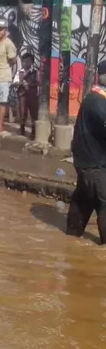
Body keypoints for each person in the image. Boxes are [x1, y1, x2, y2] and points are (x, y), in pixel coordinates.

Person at [67, 60, 106, 244]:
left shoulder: (93, 98)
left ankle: (70, 242)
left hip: (85, 164)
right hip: (96, 166)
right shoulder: (99, 103)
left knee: (82, 203)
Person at [17, 53, 39, 138]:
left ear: (32, 62)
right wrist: (21, 83)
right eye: (24, 61)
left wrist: (28, 85)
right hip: (22, 95)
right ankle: (22, 129)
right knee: (23, 112)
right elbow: (15, 83)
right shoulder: (20, 72)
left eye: (28, 61)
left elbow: (38, 83)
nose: (26, 63)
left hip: (33, 95)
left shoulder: (35, 72)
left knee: (34, 114)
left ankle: (33, 131)